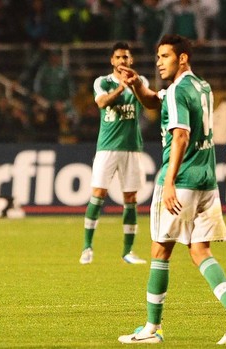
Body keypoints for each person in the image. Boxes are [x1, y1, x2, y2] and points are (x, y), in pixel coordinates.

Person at [117, 34, 226, 345]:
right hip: (205, 180)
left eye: (165, 56)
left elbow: (180, 137)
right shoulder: (201, 87)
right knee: (200, 250)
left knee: (160, 250)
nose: (159, 61)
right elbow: (154, 101)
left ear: (183, 58)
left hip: (183, 180)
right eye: (158, 56)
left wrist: (170, 182)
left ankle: (152, 328)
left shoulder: (177, 91)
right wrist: (137, 84)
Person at [79, 42, 148, 265]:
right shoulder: (103, 82)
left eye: (126, 57)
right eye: (118, 57)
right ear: (112, 61)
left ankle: (128, 252)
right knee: (98, 194)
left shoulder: (141, 81)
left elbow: (146, 101)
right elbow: (101, 103)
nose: (122, 61)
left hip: (132, 148)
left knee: (131, 198)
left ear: (131, 61)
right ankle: (87, 248)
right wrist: (121, 88)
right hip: (107, 148)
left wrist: (133, 84)